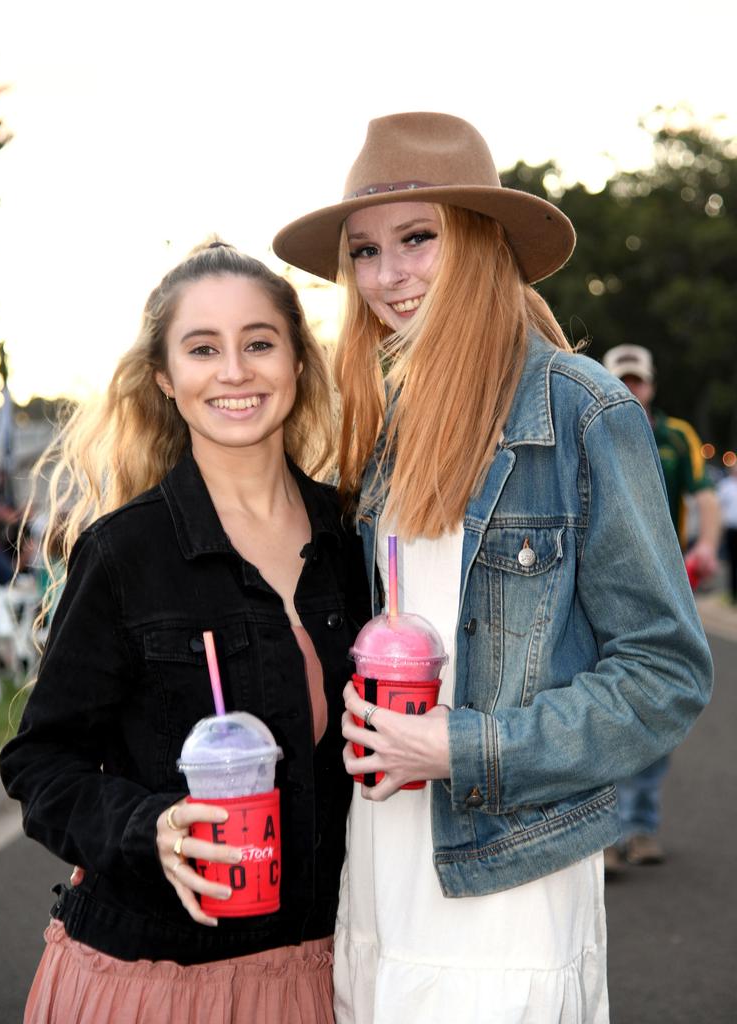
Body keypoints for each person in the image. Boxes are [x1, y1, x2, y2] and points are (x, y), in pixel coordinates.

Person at [273, 112, 713, 1023]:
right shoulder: (378, 420)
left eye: (417, 239)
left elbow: (666, 673)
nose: (388, 276)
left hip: (508, 876)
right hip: (378, 860)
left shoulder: (582, 411)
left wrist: (464, 747)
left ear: (478, 241)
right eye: (365, 251)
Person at [0, 240, 368, 1024]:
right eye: (203, 348)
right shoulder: (124, 552)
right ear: (166, 379)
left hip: (335, 971)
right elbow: (40, 762)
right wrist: (149, 827)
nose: (234, 371)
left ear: (298, 362)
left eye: (259, 343)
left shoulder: (354, 537)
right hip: (156, 981)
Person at [601, 343, 720, 871]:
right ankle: (602, 832)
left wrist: (707, 546)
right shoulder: (589, 423)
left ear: (650, 385)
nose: (631, 390)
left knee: (657, 698)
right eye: (620, 380)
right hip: (599, 580)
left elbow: (706, 498)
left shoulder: (676, 436)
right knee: (597, 700)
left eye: (638, 381)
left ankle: (641, 825)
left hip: (662, 582)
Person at [717, 462, 737, 605]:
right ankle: (733, 593)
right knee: (732, 563)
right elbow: (718, 507)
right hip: (731, 530)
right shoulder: (725, 486)